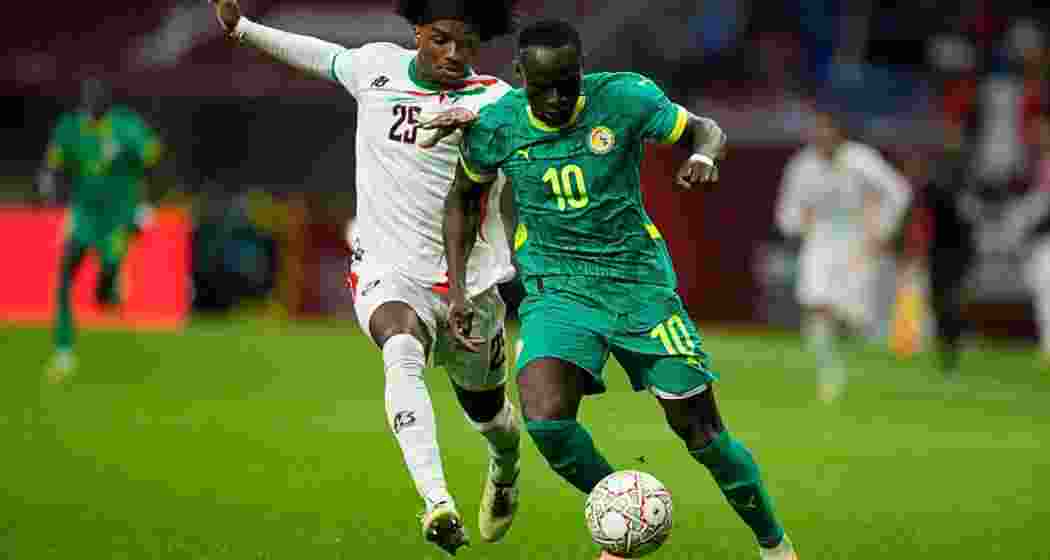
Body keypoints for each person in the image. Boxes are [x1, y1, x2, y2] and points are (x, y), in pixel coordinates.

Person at [438, 19, 798, 560]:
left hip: (639, 288)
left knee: (701, 433)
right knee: (546, 419)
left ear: (582, 70)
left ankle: (775, 546)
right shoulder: (498, 126)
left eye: (569, 82)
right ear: (520, 78)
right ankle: (626, 518)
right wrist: (459, 290)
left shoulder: (623, 97)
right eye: (544, 87)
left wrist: (701, 156)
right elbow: (464, 200)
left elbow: (706, 130)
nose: (559, 97)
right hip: (558, 290)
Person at [210, 0, 521, 554]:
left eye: (466, 46)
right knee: (399, 348)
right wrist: (242, 29)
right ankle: (437, 502)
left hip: (468, 283)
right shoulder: (375, 66)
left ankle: (504, 468)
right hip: (388, 265)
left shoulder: (494, 99)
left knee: (490, 416)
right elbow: (320, 55)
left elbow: (542, 125)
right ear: (419, 32)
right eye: (442, 40)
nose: (454, 55)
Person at [775, 108, 911, 402]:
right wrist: (800, 224)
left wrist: (883, 231)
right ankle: (829, 373)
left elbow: (899, 192)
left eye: (827, 130)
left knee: (854, 318)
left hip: (856, 241)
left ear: (838, 133)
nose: (822, 137)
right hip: (819, 242)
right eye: (817, 131)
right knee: (816, 304)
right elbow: (786, 212)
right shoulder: (802, 166)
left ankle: (864, 370)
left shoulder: (861, 160)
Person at [38, 78, 162, 383]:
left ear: (107, 103)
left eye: (97, 103)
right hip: (84, 215)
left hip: (118, 218)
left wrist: (146, 205)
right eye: (88, 103)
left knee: (106, 277)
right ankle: (63, 351)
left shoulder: (126, 126)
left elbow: (153, 160)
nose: (92, 108)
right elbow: (53, 164)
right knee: (65, 275)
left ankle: (108, 288)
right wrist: (48, 182)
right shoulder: (70, 128)